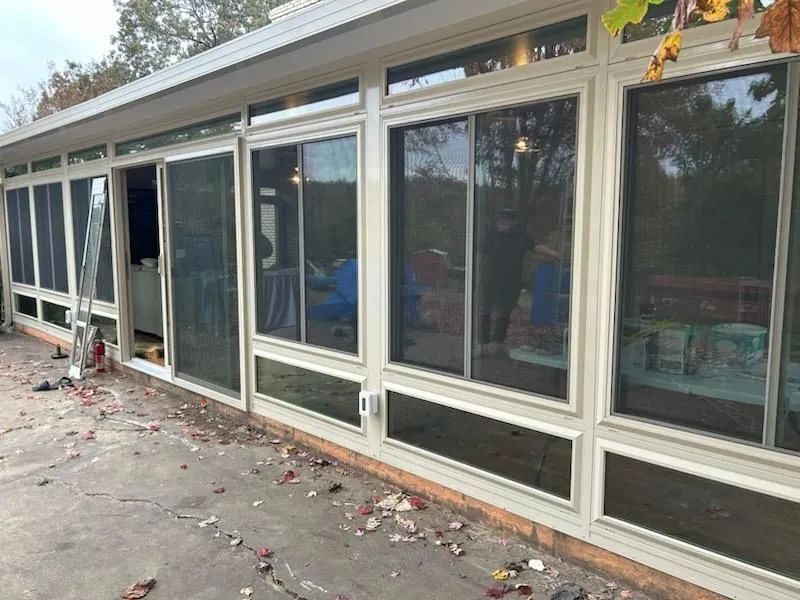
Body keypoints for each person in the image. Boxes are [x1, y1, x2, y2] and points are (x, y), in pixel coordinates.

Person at [477, 208, 558, 356]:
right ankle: (483, 346)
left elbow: (536, 247)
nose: (503, 223)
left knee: (504, 314)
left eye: (506, 220)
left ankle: (497, 345)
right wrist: (477, 276)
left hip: (512, 283)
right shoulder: (490, 236)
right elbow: (478, 254)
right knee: (485, 313)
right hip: (490, 282)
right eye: (501, 220)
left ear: (514, 222)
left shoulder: (521, 238)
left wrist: (555, 255)